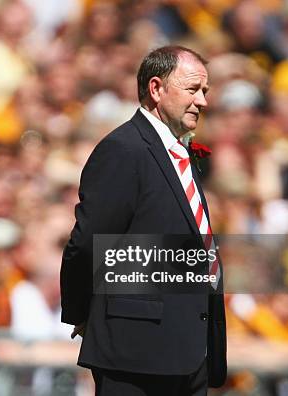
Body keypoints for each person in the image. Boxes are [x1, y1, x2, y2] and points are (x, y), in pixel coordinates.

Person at [60, 46, 227, 395]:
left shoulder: (180, 152)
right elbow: (89, 241)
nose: (203, 102)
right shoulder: (124, 149)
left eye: (205, 92)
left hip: (189, 351)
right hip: (136, 353)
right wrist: (82, 311)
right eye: (193, 89)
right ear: (156, 89)